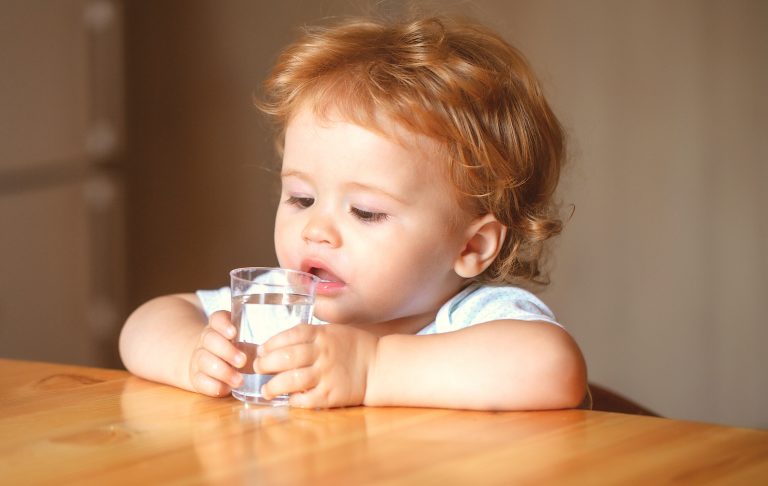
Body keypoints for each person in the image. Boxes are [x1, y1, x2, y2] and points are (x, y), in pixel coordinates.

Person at [119, 14, 588, 410]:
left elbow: (553, 367)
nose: (317, 230)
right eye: (302, 199)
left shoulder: (474, 320)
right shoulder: (278, 311)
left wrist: (371, 368)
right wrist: (193, 354)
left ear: (470, 246)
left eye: (365, 212)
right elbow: (147, 321)